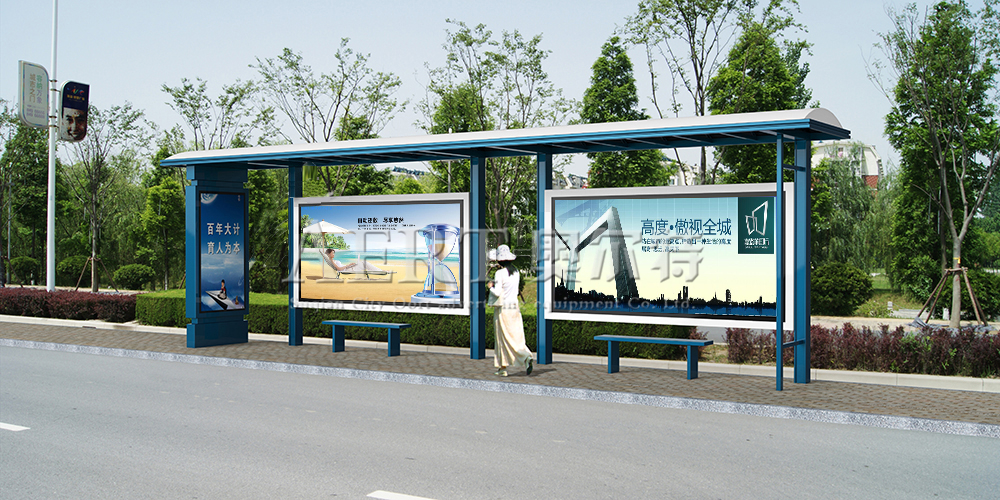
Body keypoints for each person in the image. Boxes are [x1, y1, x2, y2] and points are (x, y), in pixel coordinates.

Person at [487, 245, 533, 377]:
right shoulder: (516, 271)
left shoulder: (499, 273)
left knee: (502, 338)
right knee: (516, 336)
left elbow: (497, 292)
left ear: (500, 259)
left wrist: (490, 286)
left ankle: (510, 364)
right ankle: (508, 364)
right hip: (514, 307)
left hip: (503, 309)